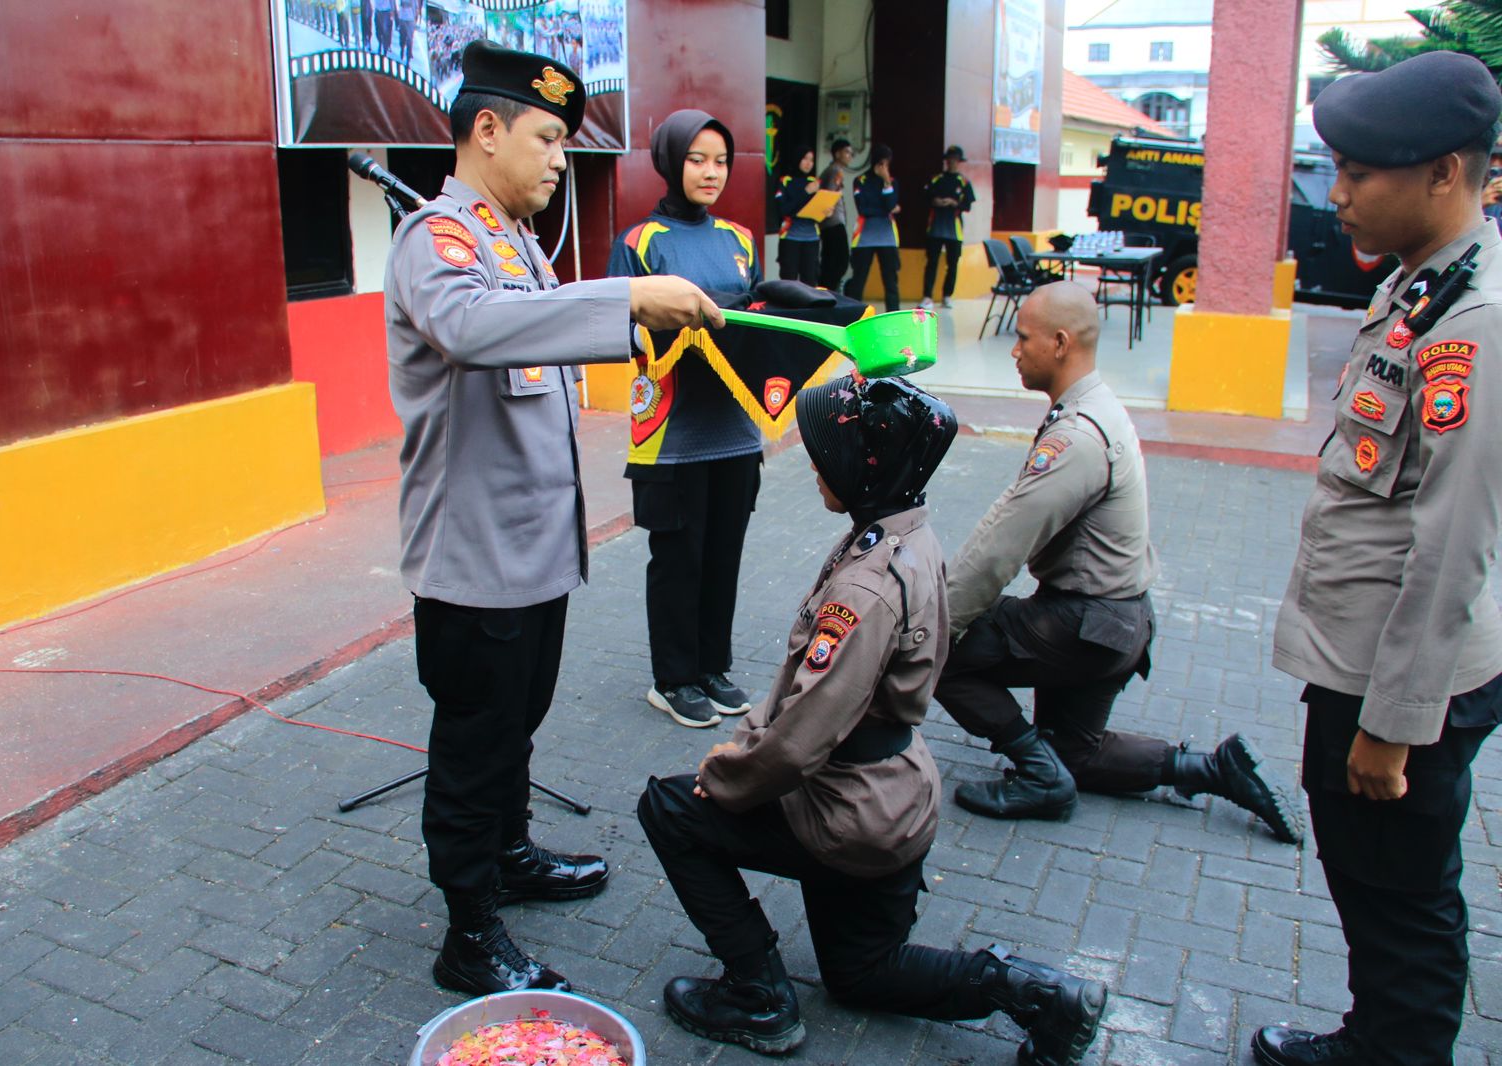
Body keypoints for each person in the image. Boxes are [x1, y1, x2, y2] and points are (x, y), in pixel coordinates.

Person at [638, 375, 1108, 1064]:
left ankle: (758, 996)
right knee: (863, 975)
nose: (816, 464)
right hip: (894, 799)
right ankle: (1034, 993)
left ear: (865, 470)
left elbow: (799, 740)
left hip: (846, 808)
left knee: (672, 809)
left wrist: (725, 776)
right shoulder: (906, 535)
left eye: (828, 453)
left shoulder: (864, 585)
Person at [385, 40, 723, 997]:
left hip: (536, 553)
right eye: (544, 139)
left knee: (518, 723)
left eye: (565, 144)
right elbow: (475, 329)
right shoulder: (439, 241)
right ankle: (467, 927)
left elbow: (548, 359)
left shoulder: (522, 244)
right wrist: (626, 294)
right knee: (473, 740)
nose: (556, 162)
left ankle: (510, 851)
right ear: (485, 132)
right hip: (474, 556)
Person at [1250, 52, 1502, 1066]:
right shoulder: (1419, 286)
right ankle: (1378, 1038)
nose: (1336, 194)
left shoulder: (1474, 325)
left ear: (1444, 172)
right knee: (1374, 883)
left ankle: (1396, 1051)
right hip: (1363, 660)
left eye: (1358, 172)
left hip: (1403, 689)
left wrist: (1395, 730)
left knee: (1401, 897)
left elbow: (1450, 548)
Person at [933, 281, 1302, 843]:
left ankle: (1037, 776)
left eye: (1023, 338)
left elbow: (996, 550)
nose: (1014, 349)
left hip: (1081, 626)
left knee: (940, 646)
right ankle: (1213, 769)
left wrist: (928, 623)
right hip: (1121, 624)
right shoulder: (1100, 406)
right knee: (1074, 754)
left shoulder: (1076, 437)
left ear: (1059, 344)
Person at [606, 110, 764, 730]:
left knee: (723, 553)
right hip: (671, 431)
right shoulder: (640, 241)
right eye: (697, 158)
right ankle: (672, 679)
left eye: (721, 160)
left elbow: (750, 321)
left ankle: (711, 667)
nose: (711, 171)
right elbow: (619, 328)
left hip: (736, 426)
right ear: (671, 160)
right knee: (678, 558)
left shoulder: (741, 238)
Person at [844, 143, 901, 312]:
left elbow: (890, 204)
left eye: (887, 164)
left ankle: (893, 314)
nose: (884, 167)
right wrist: (885, 210)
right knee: (859, 279)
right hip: (864, 238)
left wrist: (885, 181)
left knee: (890, 280)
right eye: (881, 163)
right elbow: (863, 208)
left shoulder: (891, 182)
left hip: (887, 237)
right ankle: (853, 314)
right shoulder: (860, 181)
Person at [920, 145, 975, 310]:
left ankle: (947, 295)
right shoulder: (936, 179)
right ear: (946, 161)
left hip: (954, 229)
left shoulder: (964, 182)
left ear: (959, 162)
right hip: (936, 227)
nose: (952, 162)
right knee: (932, 262)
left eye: (955, 160)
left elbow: (968, 205)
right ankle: (927, 296)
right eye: (950, 159)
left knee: (952, 263)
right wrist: (935, 201)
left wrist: (954, 203)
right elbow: (924, 197)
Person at [772, 146, 823, 285]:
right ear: (797, 159)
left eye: (811, 160)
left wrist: (825, 211)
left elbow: (817, 209)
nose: (808, 163)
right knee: (789, 280)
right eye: (805, 159)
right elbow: (784, 209)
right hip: (790, 236)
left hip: (812, 237)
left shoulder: (815, 182)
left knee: (810, 280)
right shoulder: (785, 181)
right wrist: (806, 192)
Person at [818, 138, 853, 291]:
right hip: (833, 222)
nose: (849, 156)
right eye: (846, 152)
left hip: (828, 223)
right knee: (839, 261)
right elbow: (830, 194)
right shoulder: (835, 171)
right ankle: (830, 292)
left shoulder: (830, 170)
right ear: (837, 153)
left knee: (830, 260)